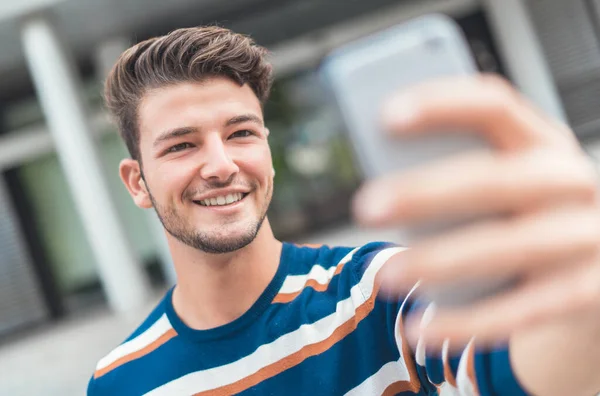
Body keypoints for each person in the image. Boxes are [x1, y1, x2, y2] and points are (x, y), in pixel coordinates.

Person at [87, 26, 600, 396]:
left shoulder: (379, 290)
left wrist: (584, 307)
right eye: (181, 146)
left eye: (240, 133)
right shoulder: (119, 381)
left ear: (266, 149)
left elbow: (515, 377)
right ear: (138, 183)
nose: (221, 166)